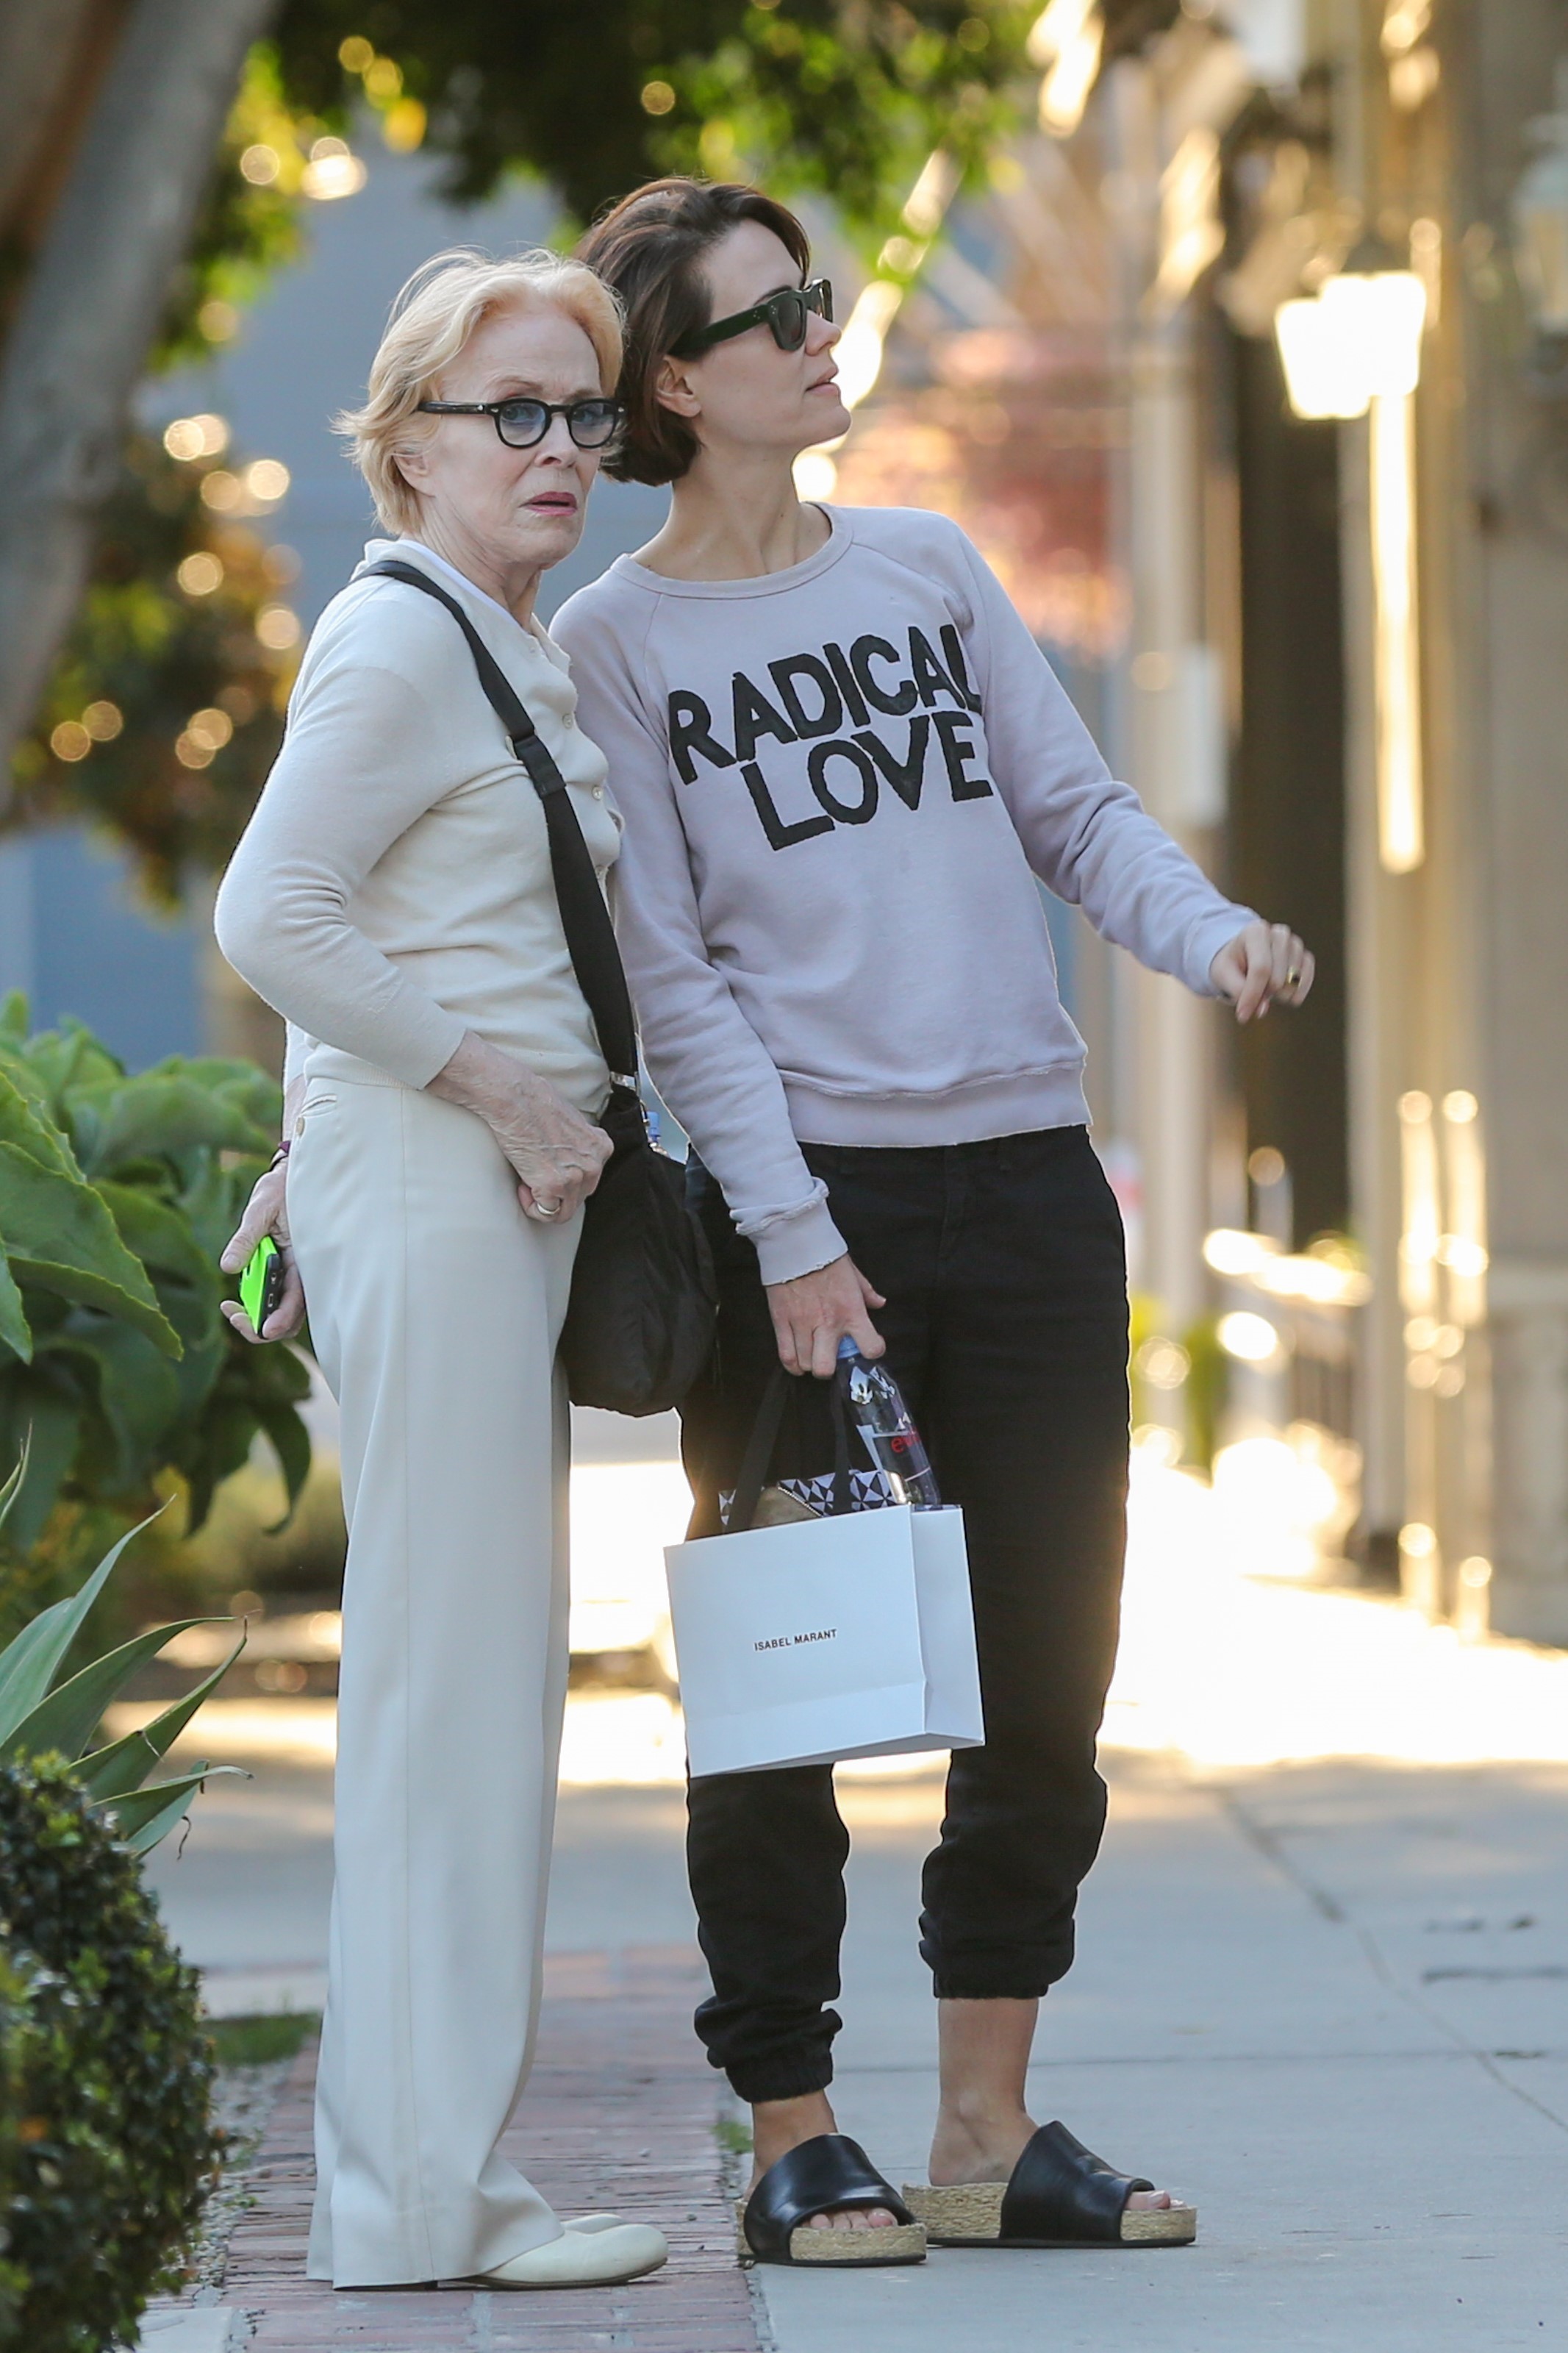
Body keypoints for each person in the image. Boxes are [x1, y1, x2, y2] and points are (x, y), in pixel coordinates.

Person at [556, 179, 1315, 2263]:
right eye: (774, 315)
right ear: (676, 383)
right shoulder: (614, 646)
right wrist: (794, 1233)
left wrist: (1210, 936)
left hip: (1034, 1187)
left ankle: (985, 2127)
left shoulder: (925, 567)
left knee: (1049, 1671)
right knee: (786, 1681)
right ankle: (794, 2126)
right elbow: (673, 978)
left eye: (815, 297)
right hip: (816, 1226)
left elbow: (1074, 811)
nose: (824, 332)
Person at [212, 248, 668, 2293]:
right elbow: (272, 910)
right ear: (409, 445)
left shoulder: (481, 636)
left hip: (445, 1188)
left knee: (459, 1691)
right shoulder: (407, 642)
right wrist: (496, 1096)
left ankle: (421, 2187)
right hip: (456, 1186)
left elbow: (377, 926)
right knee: (454, 1698)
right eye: (517, 414)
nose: (563, 448)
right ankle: (420, 2199)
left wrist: (317, 1135)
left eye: (585, 413)